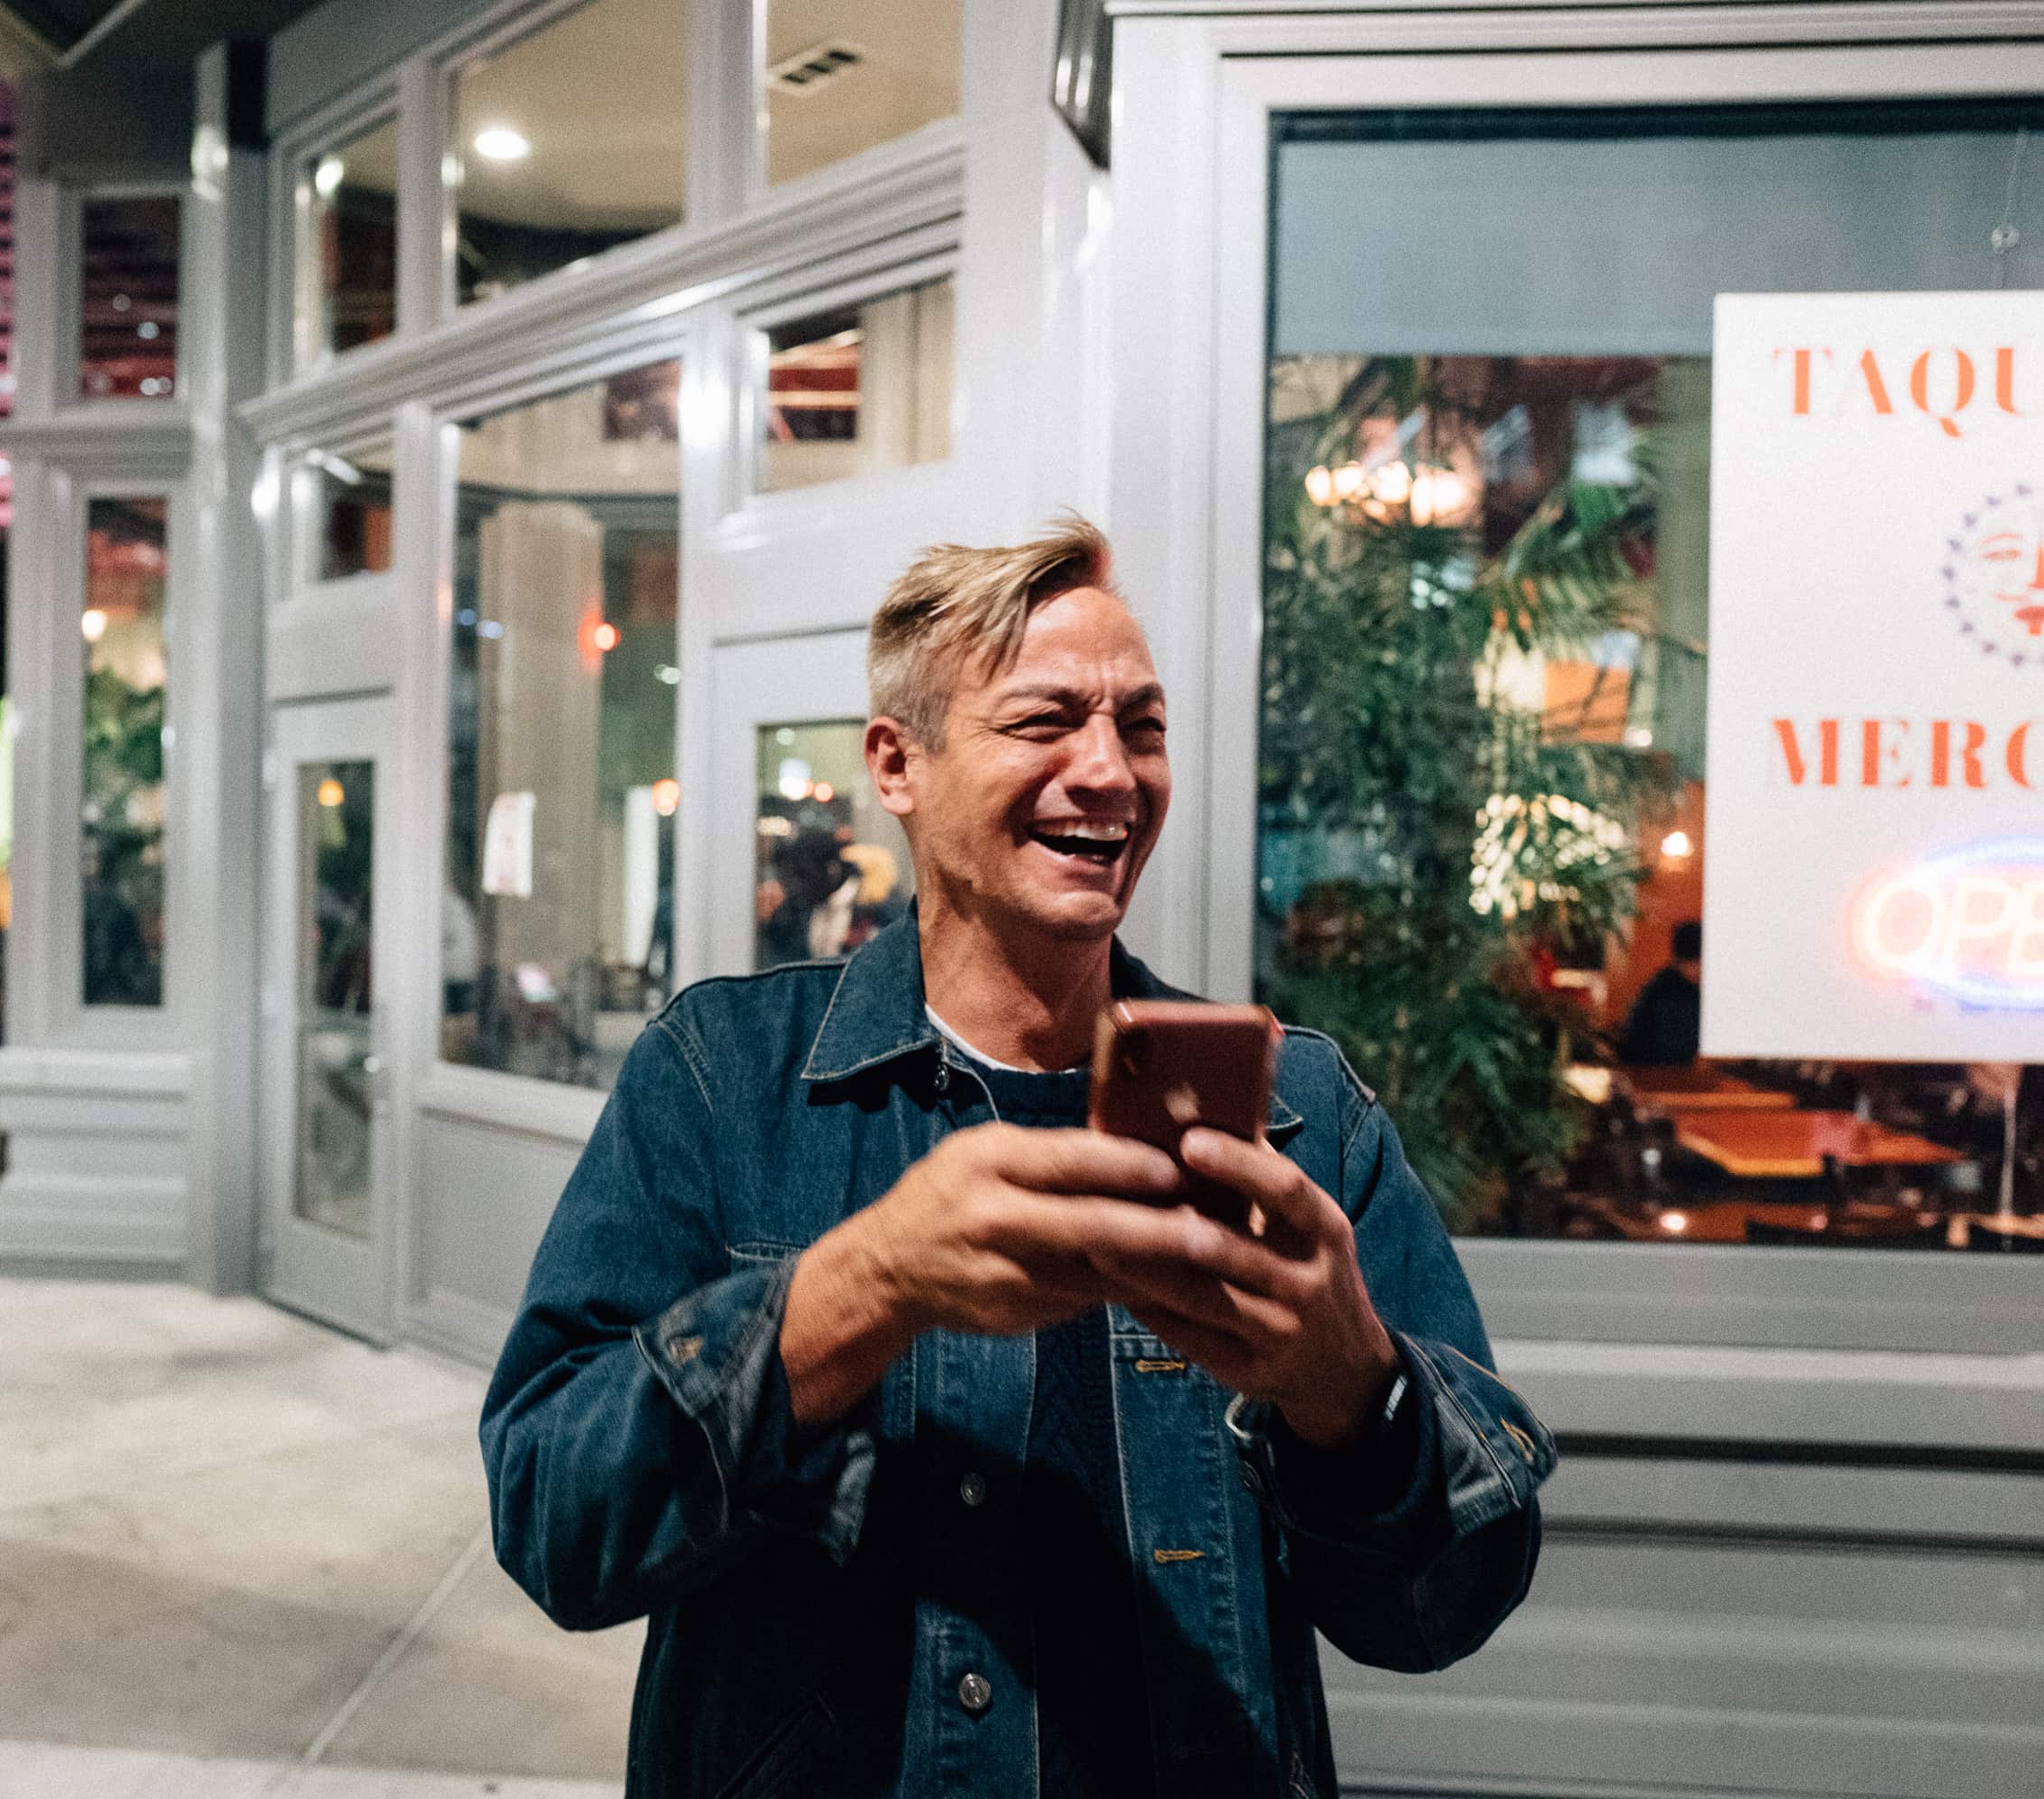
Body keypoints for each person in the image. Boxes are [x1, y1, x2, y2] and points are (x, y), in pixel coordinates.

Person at [481, 518, 1552, 1798]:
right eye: (1045, 720)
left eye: (1142, 727)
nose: (1109, 771)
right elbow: (554, 1520)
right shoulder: (723, 1080)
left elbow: (1446, 1610)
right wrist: (859, 1293)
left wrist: (1353, 1398)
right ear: (899, 764)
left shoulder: (1298, 1115)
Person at [1621, 918, 1703, 1068]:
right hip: (1654, 1073)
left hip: (1649, 1071)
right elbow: (1675, 1050)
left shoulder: (1662, 983)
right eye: (1697, 963)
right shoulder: (1669, 992)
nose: (1702, 969)